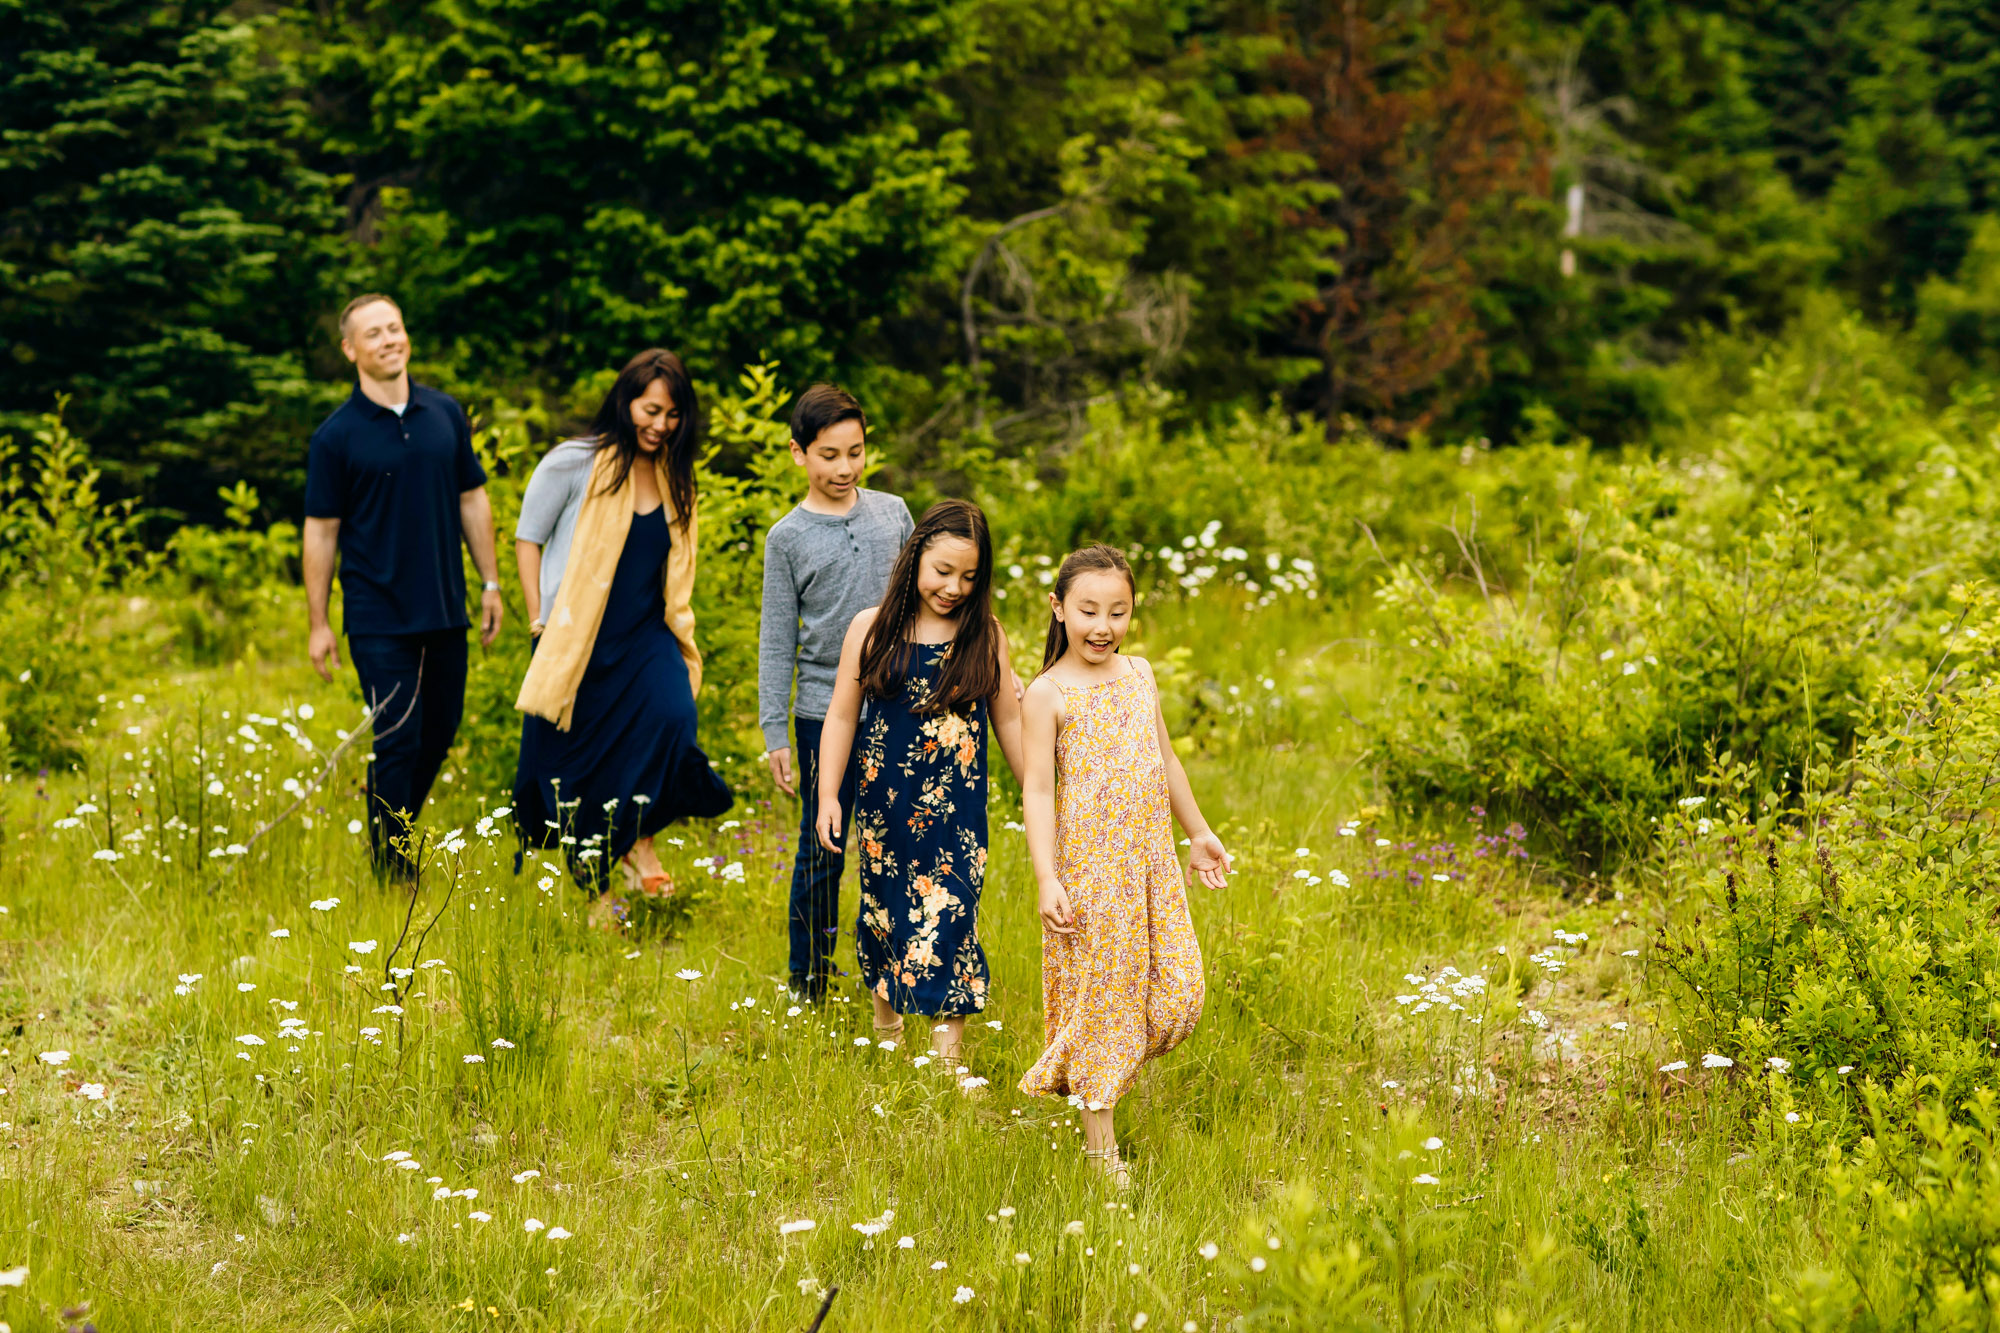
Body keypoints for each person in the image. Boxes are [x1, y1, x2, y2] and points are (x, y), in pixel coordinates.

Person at [1016, 544, 1231, 1187]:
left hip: (1152, 863)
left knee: (1180, 995)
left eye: (1118, 611)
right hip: (1091, 871)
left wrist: (1198, 833)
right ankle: (1100, 1146)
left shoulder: (1139, 675)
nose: (1102, 626)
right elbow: (1038, 791)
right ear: (1059, 609)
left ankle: (1081, 1062)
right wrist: (1047, 876)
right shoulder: (1047, 694)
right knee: (1109, 1001)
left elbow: (1165, 761)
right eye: (1087, 611)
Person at [511, 348, 732, 911]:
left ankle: (640, 839)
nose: (660, 425)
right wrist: (539, 618)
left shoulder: (675, 477)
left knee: (674, 720)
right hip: (580, 638)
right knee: (582, 765)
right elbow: (528, 537)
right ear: (625, 401)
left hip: (646, 636)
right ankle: (598, 891)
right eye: (650, 409)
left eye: (672, 414)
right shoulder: (574, 462)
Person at [813, 500, 1024, 1088]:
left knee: (951, 918)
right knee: (884, 914)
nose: (953, 588)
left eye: (969, 577)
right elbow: (840, 718)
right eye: (942, 572)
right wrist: (830, 795)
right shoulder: (871, 626)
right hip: (884, 810)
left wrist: (1039, 795)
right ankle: (887, 1037)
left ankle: (947, 1059)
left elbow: (1008, 720)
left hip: (956, 814)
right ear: (915, 558)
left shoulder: (986, 636)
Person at [303, 293, 503, 878]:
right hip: (376, 613)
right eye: (373, 333)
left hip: (445, 604)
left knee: (439, 733)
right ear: (350, 349)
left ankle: (392, 826)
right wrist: (318, 623)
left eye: (395, 328)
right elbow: (320, 533)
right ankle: (393, 869)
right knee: (399, 738)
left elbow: (473, 498)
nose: (388, 339)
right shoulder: (335, 437)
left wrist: (489, 583)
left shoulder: (444, 414)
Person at [758, 384, 915, 1000]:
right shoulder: (786, 538)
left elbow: (924, 599)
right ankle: (810, 982)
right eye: (828, 455)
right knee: (823, 846)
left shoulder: (893, 511)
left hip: (899, 701)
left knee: (898, 838)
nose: (845, 468)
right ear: (798, 453)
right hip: (823, 712)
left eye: (855, 452)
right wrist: (776, 731)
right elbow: (777, 640)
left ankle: (895, 973)